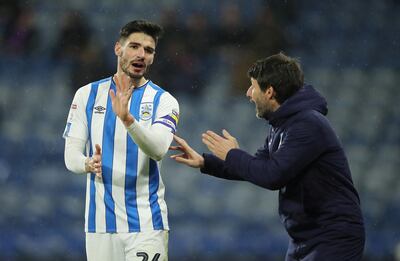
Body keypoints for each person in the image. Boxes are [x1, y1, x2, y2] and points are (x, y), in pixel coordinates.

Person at [170, 53, 365, 260]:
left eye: (253, 87)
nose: (248, 93)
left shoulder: (307, 124)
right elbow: (257, 166)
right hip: (305, 237)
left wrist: (232, 154)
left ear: (270, 92)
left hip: (333, 235)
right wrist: (205, 162)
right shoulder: (283, 125)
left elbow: (273, 175)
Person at [63, 20, 179, 261]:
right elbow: (70, 155)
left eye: (148, 50)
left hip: (146, 223)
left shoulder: (165, 101)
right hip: (100, 226)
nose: (141, 55)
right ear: (118, 48)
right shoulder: (87, 95)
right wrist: (86, 164)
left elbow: (158, 150)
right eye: (134, 46)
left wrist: (128, 120)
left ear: (153, 57)